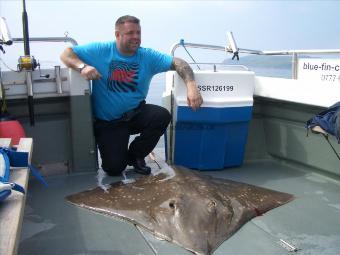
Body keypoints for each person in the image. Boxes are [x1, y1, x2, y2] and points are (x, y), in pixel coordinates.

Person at [60, 15, 203, 176]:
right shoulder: (101, 50)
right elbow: (66, 53)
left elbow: (179, 63)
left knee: (161, 116)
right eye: (130, 33)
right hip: (109, 122)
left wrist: (191, 86)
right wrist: (82, 67)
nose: (136, 37)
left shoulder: (147, 56)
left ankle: (136, 155)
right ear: (117, 35)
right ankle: (120, 152)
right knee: (114, 169)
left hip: (135, 114)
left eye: (138, 33)